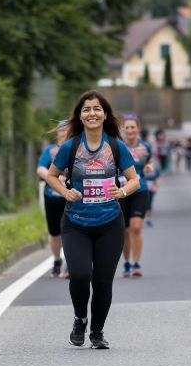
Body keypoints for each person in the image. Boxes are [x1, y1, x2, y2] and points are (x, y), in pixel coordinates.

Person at [46, 90, 139, 349]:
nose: (92, 114)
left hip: (110, 223)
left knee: (102, 281)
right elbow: (52, 176)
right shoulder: (71, 146)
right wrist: (66, 192)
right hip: (76, 223)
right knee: (79, 274)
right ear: (80, 116)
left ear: (105, 114)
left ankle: (97, 332)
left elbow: (134, 180)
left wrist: (122, 191)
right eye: (86, 110)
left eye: (97, 109)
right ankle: (80, 319)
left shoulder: (116, 147)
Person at [119, 115, 153, 277]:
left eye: (133, 127)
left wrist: (148, 168)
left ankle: (137, 263)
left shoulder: (145, 147)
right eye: (127, 127)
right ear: (123, 130)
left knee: (136, 227)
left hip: (140, 191)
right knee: (124, 231)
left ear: (138, 129)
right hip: (121, 192)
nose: (130, 130)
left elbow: (150, 162)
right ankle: (126, 262)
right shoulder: (117, 146)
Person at [36, 122, 68, 277]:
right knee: (54, 232)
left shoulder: (76, 148)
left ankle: (70, 262)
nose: (64, 132)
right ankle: (57, 260)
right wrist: (53, 177)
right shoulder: (50, 150)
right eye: (61, 129)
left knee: (71, 230)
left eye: (67, 129)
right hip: (52, 196)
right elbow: (40, 168)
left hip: (71, 197)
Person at [144, 157, 161, 227]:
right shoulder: (140, 167)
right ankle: (142, 218)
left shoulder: (155, 167)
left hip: (151, 187)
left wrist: (156, 186)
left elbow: (157, 178)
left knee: (149, 204)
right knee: (142, 203)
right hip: (142, 187)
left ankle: (148, 219)